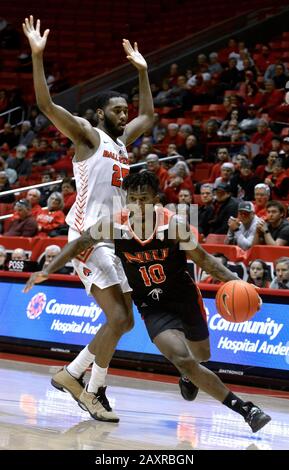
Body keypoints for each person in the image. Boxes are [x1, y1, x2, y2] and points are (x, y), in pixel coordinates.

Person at [24, 171, 271, 433]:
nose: (138, 205)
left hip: (184, 298)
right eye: (133, 199)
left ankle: (190, 375)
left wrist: (240, 282)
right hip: (152, 306)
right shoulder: (113, 225)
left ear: (156, 200)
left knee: (201, 356)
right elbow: (77, 245)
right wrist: (47, 269)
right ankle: (246, 410)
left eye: (144, 199)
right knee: (182, 358)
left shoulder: (173, 226)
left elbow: (206, 261)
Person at [23, 15, 154, 422]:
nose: (124, 114)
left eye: (124, 110)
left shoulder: (121, 140)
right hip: (85, 234)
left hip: (111, 238)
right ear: (98, 114)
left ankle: (75, 376)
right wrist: (38, 56)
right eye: (117, 110)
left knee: (125, 321)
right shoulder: (88, 135)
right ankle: (90, 388)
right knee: (117, 318)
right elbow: (46, 105)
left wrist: (144, 73)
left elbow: (148, 117)